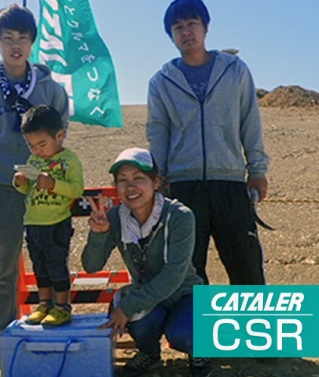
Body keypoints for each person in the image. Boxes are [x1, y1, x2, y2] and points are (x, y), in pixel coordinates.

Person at [0, 3, 69, 365]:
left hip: (44, 190)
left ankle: (56, 322)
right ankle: (4, 333)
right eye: (7, 38)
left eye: (22, 38)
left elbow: (61, 134)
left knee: (51, 257)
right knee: (4, 266)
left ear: (31, 42)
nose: (15, 45)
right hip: (6, 191)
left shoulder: (50, 89)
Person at [146, 0, 270, 285]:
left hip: (231, 183)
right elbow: (158, 131)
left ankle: (250, 329)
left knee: (247, 268)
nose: (186, 32)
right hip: (183, 187)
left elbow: (249, 120)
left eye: (192, 24)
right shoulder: (161, 82)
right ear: (171, 35)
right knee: (189, 272)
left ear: (206, 27)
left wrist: (258, 170)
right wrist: (160, 178)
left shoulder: (235, 70)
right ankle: (197, 331)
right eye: (178, 27)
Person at [82, 147, 210, 377]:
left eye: (139, 178)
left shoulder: (180, 216)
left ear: (156, 182)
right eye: (123, 180)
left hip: (185, 293)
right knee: (131, 314)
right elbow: (91, 266)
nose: (130, 187)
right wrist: (98, 234)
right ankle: (149, 353)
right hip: (149, 294)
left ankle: (200, 350)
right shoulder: (114, 217)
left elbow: (174, 275)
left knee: (185, 334)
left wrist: (128, 308)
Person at [12, 105, 84, 326]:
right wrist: (20, 183)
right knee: (39, 266)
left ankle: (62, 307)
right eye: (31, 145)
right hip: (33, 222)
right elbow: (29, 191)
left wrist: (53, 184)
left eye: (42, 144)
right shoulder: (34, 161)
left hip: (56, 222)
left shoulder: (70, 160)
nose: (37, 150)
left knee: (56, 265)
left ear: (60, 135)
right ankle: (44, 305)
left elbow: (76, 190)